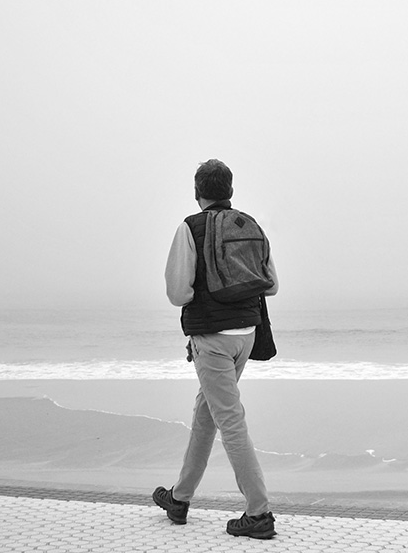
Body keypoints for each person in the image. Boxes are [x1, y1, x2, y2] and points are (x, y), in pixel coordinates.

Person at [152, 158, 278, 539]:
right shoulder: (250, 225)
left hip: (212, 339)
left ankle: (259, 513)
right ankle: (180, 497)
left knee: (230, 421)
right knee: (207, 411)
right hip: (247, 335)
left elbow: (178, 293)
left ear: (197, 192)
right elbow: (270, 285)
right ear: (231, 191)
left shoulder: (189, 228)